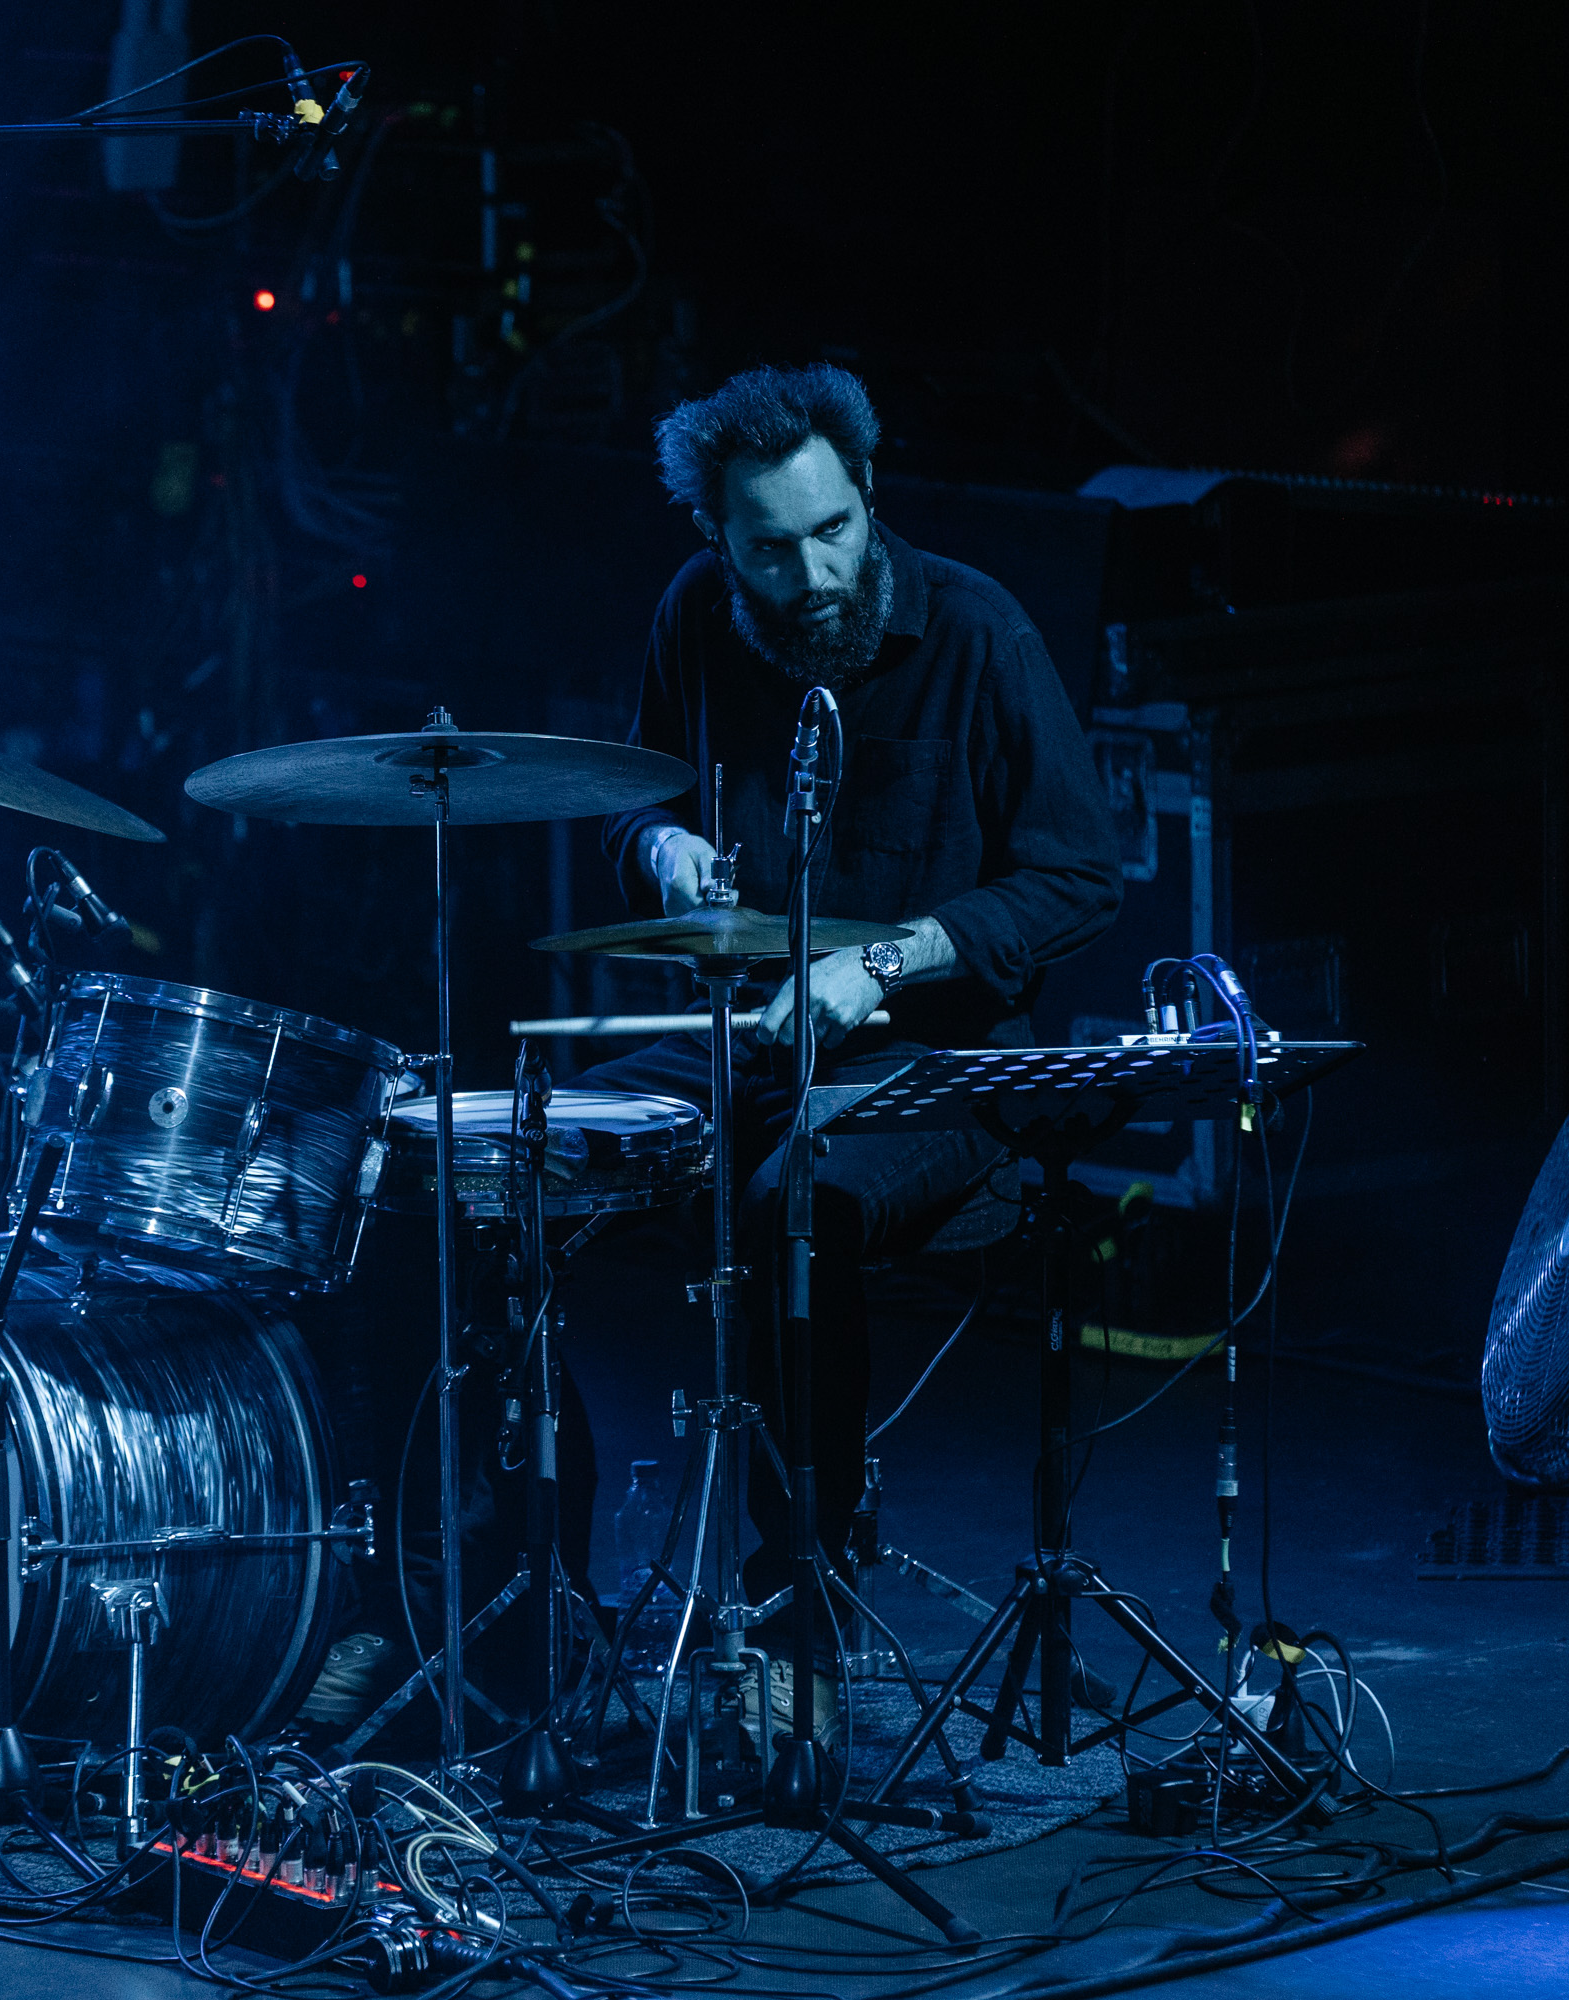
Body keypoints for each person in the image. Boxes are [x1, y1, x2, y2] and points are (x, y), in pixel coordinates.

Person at [582, 362, 1120, 1683]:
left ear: (869, 490)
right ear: (718, 536)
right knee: (506, 1160)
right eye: (771, 549)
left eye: (834, 530)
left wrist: (884, 963)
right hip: (754, 1040)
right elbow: (632, 799)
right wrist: (660, 850)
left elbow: (1077, 878)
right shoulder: (695, 614)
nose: (814, 575)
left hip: (945, 1061)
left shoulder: (979, 633)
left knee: (794, 1205)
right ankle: (498, 1591)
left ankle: (800, 1606)